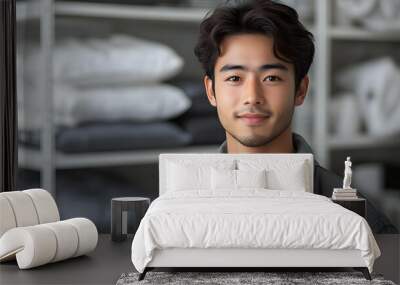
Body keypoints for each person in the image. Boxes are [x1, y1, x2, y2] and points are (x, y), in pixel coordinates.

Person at [194, 0, 397, 233]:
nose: (252, 97)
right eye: (234, 78)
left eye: (271, 78)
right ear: (211, 91)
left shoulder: (356, 218)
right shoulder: (183, 206)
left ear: (300, 90)